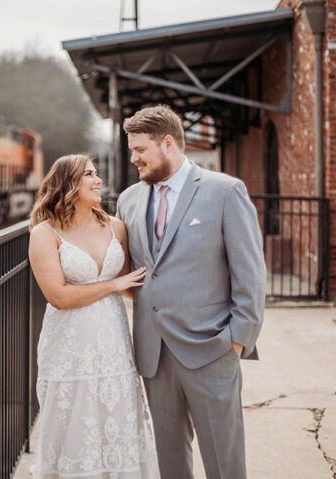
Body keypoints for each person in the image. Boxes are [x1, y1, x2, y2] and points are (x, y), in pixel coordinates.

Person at [115, 105, 266, 479]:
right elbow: (136, 271)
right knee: (169, 460)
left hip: (211, 349)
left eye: (139, 150)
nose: (133, 158)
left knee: (223, 461)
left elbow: (250, 274)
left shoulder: (226, 191)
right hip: (154, 353)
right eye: (131, 150)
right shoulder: (129, 199)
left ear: (168, 143)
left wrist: (237, 341)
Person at [28, 154, 160, 479]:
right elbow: (57, 296)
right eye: (89, 174)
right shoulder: (44, 234)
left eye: (97, 173)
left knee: (115, 416)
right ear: (68, 184)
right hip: (69, 344)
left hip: (113, 341)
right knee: (74, 422)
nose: (97, 179)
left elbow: (133, 284)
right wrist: (112, 284)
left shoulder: (117, 227)